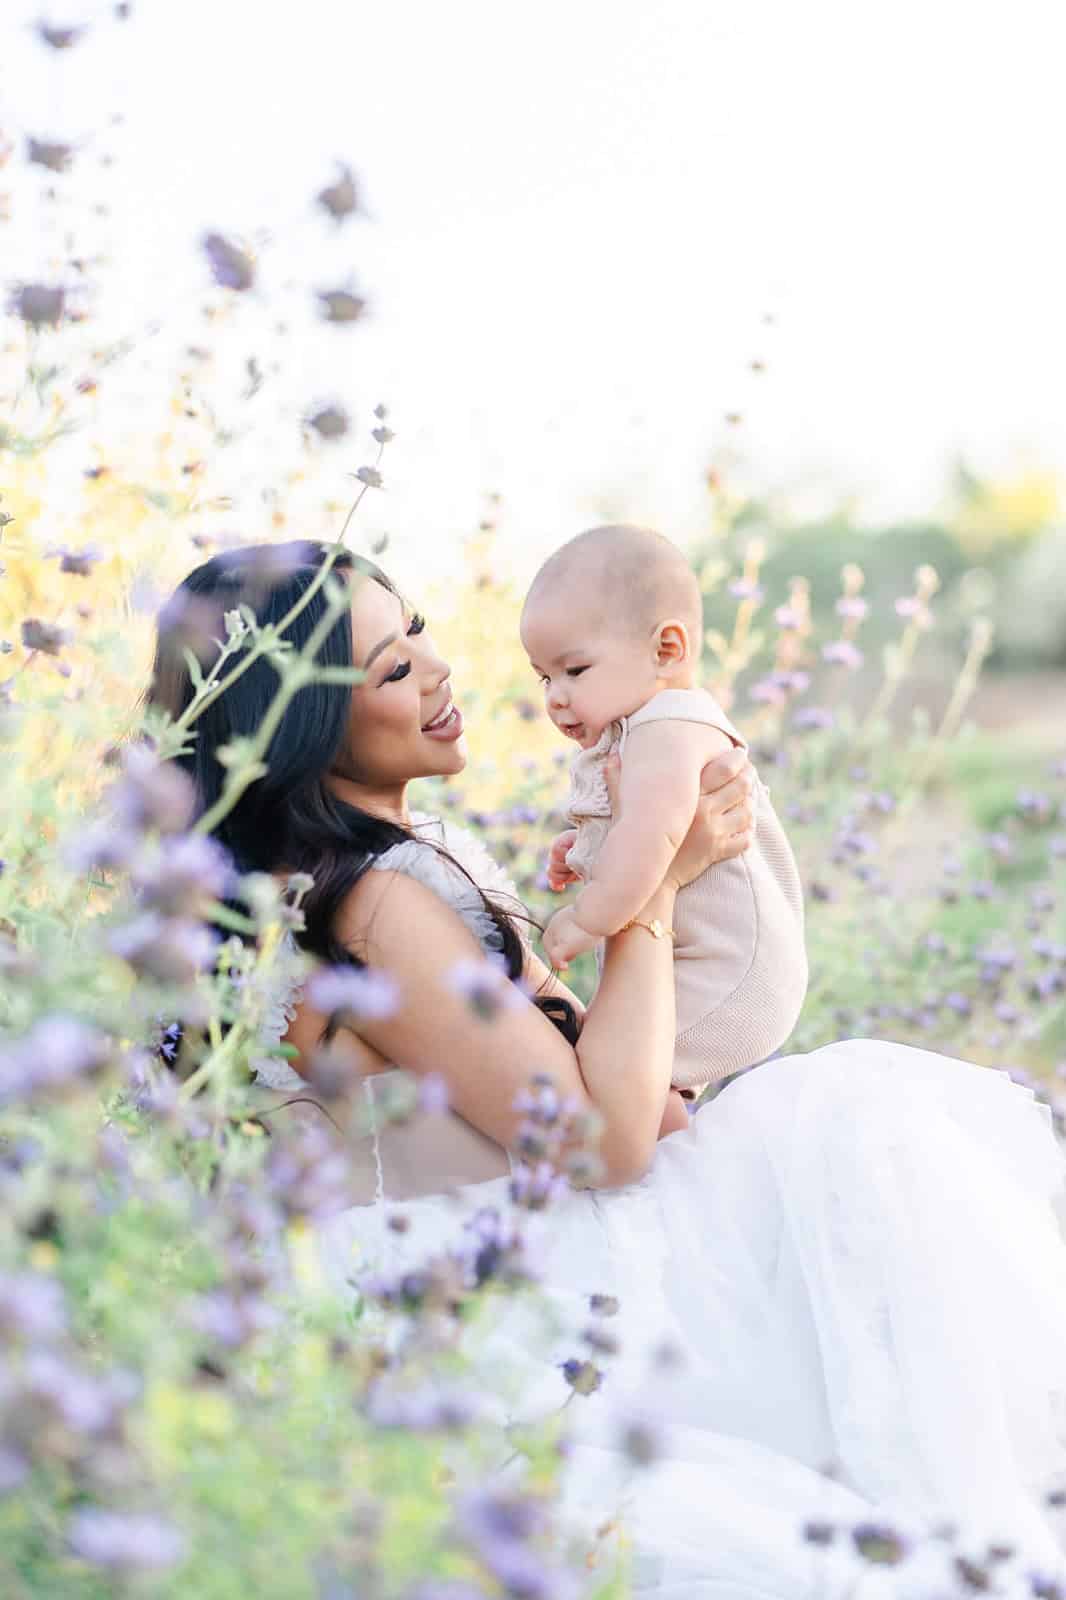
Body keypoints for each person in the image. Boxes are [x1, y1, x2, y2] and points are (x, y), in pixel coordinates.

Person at [150, 541, 1066, 1594]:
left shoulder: (396, 869)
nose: (440, 670)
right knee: (853, 1133)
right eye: (393, 670)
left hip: (524, 1268)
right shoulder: (373, 903)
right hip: (487, 1329)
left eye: (418, 631)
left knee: (850, 1139)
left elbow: (638, 1099)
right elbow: (609, 1139)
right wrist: (656, 887)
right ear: (306, 732)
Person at [523, 523, 807, 1094]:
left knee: (612, 1075)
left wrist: (587, 917)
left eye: (574, 670)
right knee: (637, 1080)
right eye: (544, 677)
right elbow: (643, 833)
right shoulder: (646, 733)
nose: (555, 695)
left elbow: (651, 839)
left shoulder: (668, 730)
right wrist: (587, 850)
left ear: (666, 650)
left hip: (729, 973)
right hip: (716, 963)